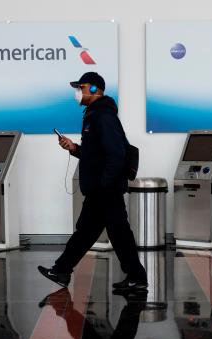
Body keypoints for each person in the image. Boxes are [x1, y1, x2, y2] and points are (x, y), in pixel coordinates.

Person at [37, 72, 148, 293]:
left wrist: (104, 184)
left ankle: (137, 278)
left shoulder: (103, 116)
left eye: (82, 87)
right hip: (101, 188)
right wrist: (74, 148)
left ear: (95, 89)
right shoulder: (94, 115)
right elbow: (95, 153)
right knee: (90, 231)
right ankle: (63, 270)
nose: (78, 92)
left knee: (116, 233)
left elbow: (115, 154)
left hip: (105, 189)